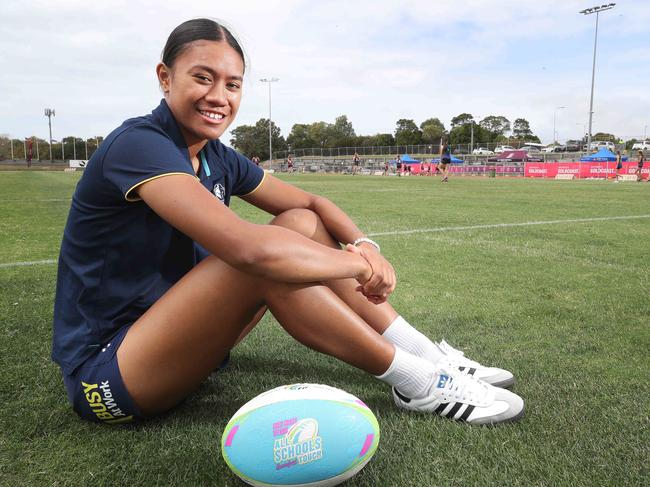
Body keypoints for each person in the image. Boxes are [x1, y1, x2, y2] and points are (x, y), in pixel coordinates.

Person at [52, 18, 523, 427]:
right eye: (203, 78)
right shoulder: (139, 144)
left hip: (187, 348)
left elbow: (312, 204)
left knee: (297, 221)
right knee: (261, 258)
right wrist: (355, 268)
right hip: (109, 374)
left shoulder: (217, 156)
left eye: (233, 84)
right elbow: (251, 251)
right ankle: (418, 382)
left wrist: (364, 243)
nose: (219, 96)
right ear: (164, 77)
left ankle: (425, 354)